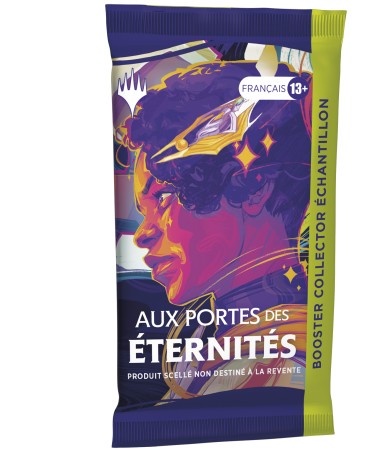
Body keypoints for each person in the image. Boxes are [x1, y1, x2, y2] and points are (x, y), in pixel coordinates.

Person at [118, 60, 311, 399]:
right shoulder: (210, 339)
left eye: (163, 197)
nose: (141, 234)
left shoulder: (280, 361)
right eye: (143, 211)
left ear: (254, 188)